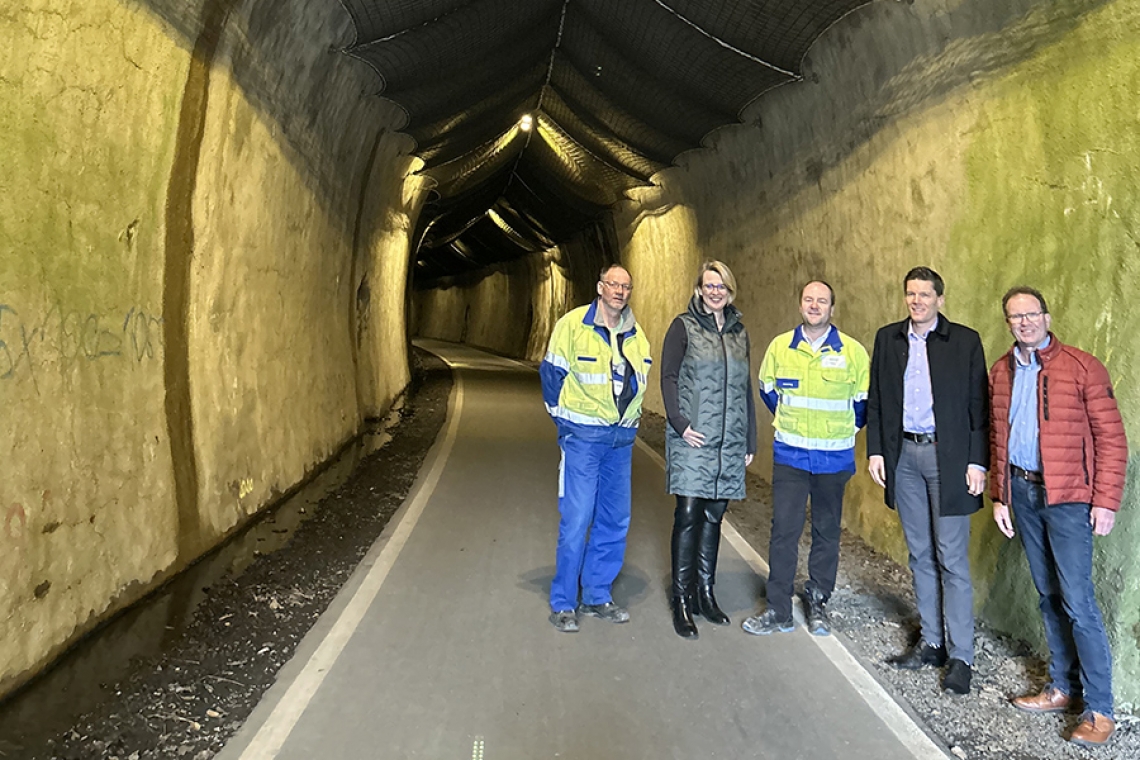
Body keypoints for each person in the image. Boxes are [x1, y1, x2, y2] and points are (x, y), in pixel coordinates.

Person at [990, 286, 1127, 746]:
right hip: (1023, 493)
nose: (1024, 322)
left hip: (1069, 499)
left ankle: (1101, 709)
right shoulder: (1002, 372)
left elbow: (1112, 439)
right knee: (1048, 596)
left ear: (1047, 317)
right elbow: (998, 438)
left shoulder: (1083, 367)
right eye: (1015, 316)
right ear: (1007, 323)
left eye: (1031, 314)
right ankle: (1062, 688)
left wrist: (1106, 500)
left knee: (1078, 602)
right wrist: (1000, 495)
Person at [866, 266, 988, 695]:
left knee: (951, 556)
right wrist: (877, 450)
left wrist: (978, 462)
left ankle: (961, 656)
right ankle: (932, 642)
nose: (917, 301)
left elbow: (979, 406)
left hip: (948, 458)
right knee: (919, 555)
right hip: (904, 456)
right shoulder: (888, 339)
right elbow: (878, 398)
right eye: (911, 294)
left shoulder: (965, 341)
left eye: (925, 294)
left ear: (939, 298)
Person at [742, 281, 869, 637]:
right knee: (783, 532)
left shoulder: (853, 353)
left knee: (827, 533)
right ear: (800, 305)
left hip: (833, 460)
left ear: (833, 308)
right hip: (791, 457)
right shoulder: (781, 348)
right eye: (809, 300)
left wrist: (837, 432)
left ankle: (818, 602)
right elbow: (768, 391)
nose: (815, 306)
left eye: (822, 301)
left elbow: (863, 405)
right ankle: (778, 608)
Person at [539, 264, 653, 633]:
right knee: (576, 518)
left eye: (626, 286)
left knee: (614, 519)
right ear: (600, 286)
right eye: (613, 284)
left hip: (620, 442)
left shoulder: (637, 335)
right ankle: (563, 602)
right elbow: (551, 376)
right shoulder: (572, 326)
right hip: (584, 439)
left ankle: (597, 594)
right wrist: (565, 423)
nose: (619, 291)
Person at [660, 261, 757, 639]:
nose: (715, 291)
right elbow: (668, 377)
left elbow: (745, 387)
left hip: (728, 441)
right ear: (699, 289)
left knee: (715, 515)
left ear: (730, 291)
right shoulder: (682, 327)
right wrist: (680, 424)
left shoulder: (738, 333)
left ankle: (705, 594)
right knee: (688, 513)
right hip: (693, 437)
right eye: (709, 285)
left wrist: (749, 438)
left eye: (722, 286)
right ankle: (681, 600)